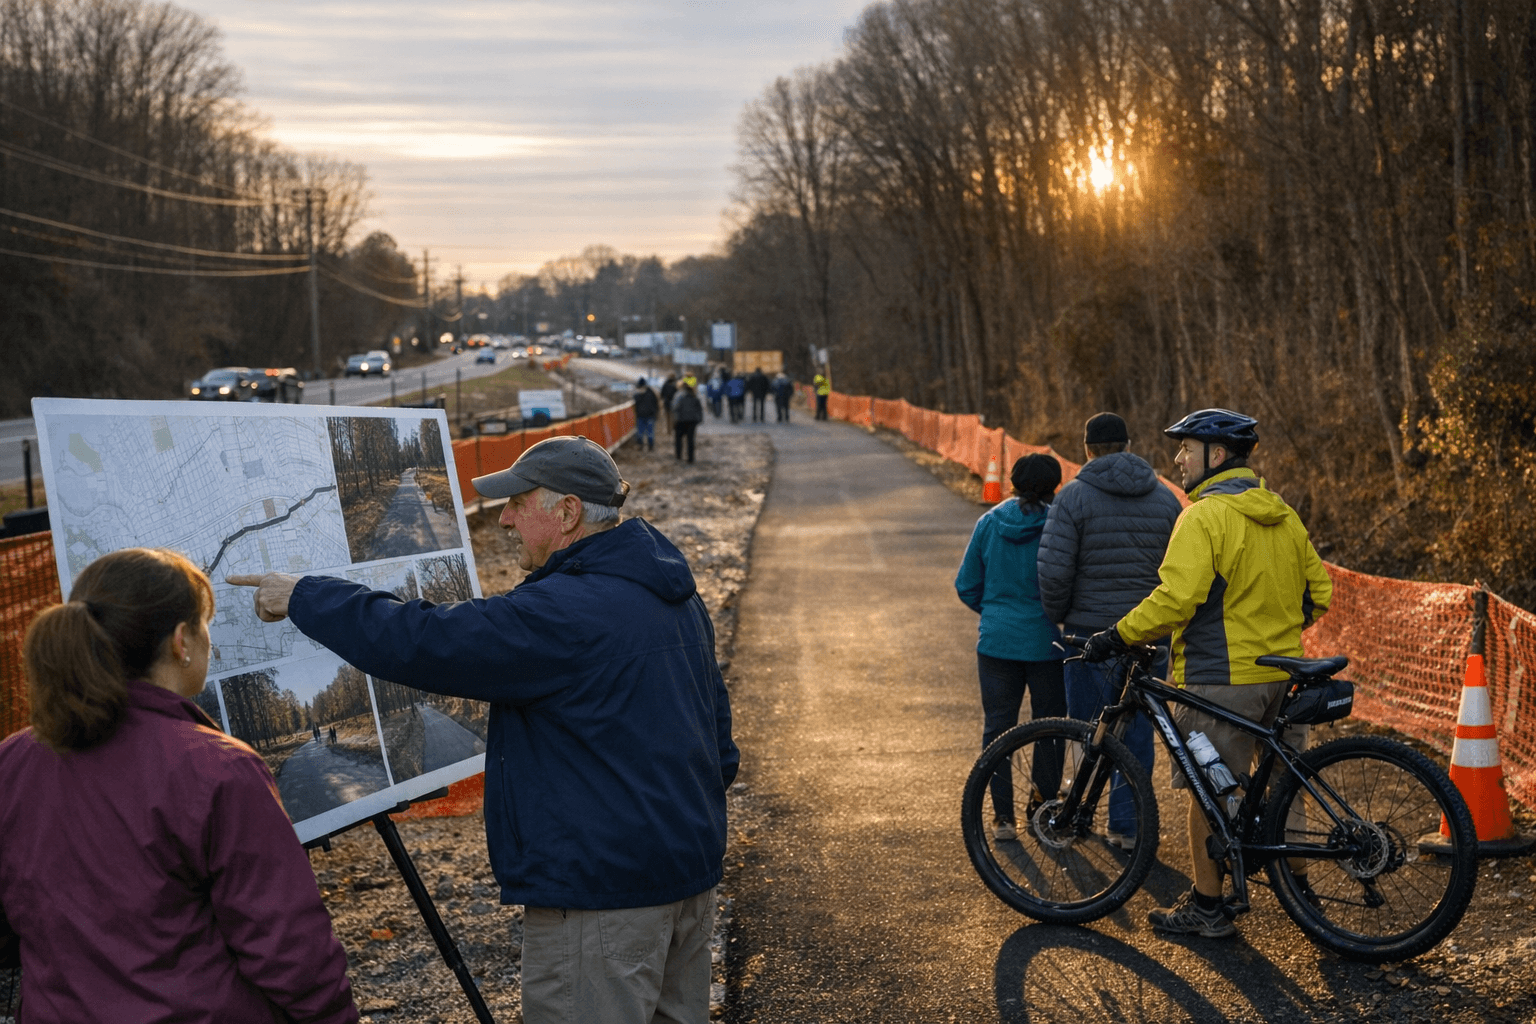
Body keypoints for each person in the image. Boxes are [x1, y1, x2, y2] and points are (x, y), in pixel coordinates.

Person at [229, 437, 737, 1024]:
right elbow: (719, 745)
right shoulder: (672, 593)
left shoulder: (565, 610)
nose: (505, 518)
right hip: (686, 885)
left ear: (567, 512)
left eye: (520, 503)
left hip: (602, 901)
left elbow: (424, 641)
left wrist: (305, 596)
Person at [0, 548, 358, 1024]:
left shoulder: (12, 761)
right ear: (180, 642)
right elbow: (289, 951)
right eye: (205, 624)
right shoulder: (219, 770)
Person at [1081, 408, 1332, 940]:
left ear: (1215, 456)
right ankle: (1300, 891)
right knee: (1286, 785)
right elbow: (1319, 594)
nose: (1176, 459)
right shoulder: (1282, 513)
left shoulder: (1202, 518)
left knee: (1209, 792)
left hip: (1222, 677)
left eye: (1185, 449)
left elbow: (1175, 600)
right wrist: (1278, 630)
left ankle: (1208, 905)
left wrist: (1119, 635)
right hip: (1283, 674)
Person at [1036, 412, 1182, 848]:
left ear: (1087, 449)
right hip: (1149, 634)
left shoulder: (1073, 497)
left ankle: (1080, 817)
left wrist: (1062, 615)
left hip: (1091, 632)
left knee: (1089, 729)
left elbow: (1054, 571)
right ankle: (1128, 825)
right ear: (1129, 444)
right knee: (1136, 731)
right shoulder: (1165, 498)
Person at [954, 454, 1068, 841]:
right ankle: (1043, 810)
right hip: (1048, 643)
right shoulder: (1060, 525)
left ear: (1013, 481)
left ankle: (1003, 819)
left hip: (997, 643)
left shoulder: (989, 523)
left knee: (998, 730)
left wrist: (994, 612)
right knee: (1050, 726)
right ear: (1055, 484)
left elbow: (966, 584)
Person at [674, 381, 705, 463]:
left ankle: (678, 455)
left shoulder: (679, 395)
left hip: (681, 420)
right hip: (692, 421)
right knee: (690, 440)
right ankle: (690, 458)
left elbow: (675, 408)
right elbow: (699, 409)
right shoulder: (695, 396)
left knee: (678, 439)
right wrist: (699, 419)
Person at [632, 376, 659, 451]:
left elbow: (656, 404)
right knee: (641, 433)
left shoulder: (650, 394)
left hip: (648, 416)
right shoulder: (640, 394)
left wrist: (655, 413)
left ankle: (650, 446)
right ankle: (642, 445)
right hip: (641, 416)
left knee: (649, 433)